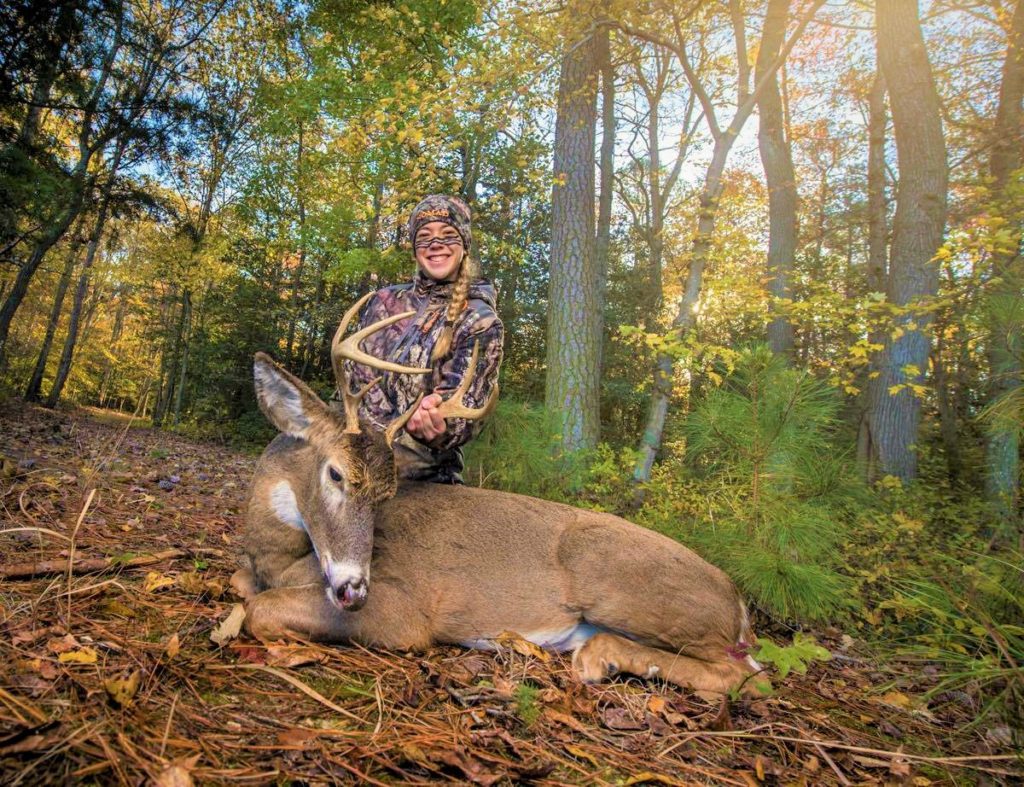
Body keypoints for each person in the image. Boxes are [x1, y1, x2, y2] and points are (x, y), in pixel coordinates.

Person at [340, 195, 503, 484]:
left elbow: (465, 415)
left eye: (448, 236)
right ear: (415, 250)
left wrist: (437, 424)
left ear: (464, 246)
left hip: (418, 478)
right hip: (351, 456)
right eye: (424, 237)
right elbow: (355, 379)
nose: (435, 244)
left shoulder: (480, 320)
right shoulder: (383, 301)